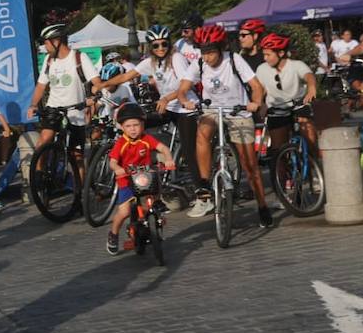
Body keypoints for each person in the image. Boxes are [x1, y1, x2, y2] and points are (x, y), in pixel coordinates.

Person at [187, 25, 271, 226]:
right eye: (203, 52)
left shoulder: (234, 59)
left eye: (211, 52)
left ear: (220, 48)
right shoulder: (199, 63)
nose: (207, 57)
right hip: (213, 110)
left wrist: (256, 103)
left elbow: (256, 87)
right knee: (202, 132)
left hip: (238, 110)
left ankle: (262, 206)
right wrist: (184, 99)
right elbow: (183, 87)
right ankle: (205, 184)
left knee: (249, 165)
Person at [111, 25, 198, 178]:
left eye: (164, 44)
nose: (160, 48)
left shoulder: (176, 58)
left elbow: (186, 85)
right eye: (156, 45)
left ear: (169, 44)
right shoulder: (150, 62)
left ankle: (201, 192)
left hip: (185, 108)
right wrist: (100, 85)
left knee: (189, 151)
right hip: (168, 107)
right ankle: (147, 159)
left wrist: (166, 98)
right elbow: (126, 76)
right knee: (138, 123)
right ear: (151, 47)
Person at [104, 102, 177, 255]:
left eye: (136, 125)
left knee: (155, 198)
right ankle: (114, 234)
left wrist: (169, 159)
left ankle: (157, 215)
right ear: (122, 127)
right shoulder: (121, 143)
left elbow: (163, 148)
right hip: (127, 181)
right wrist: (118, 169)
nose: (132, 129)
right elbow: (112, 161)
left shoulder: (146, 139)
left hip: (146, 177)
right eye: (128, 126)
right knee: (124, 212)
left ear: (143, 124)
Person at [26, 24, 98, 163]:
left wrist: (94, 97)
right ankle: (39, 180)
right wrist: (33, 105)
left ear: (56, 41)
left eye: (46, 43)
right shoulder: (49, 60)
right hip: (54, 107)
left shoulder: (79, 57)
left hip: (76, 110)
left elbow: (96, 81)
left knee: (76, 157)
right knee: (42, 144)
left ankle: (80, 185)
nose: (44, 47)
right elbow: (41, 86)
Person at [255, 33, 318, 162]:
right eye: (264, 54)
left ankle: (314, 166)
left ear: (281, 53)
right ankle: (282, 179)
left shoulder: (296, 65)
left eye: (268, 55)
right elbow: (260, 90)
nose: (265, 58)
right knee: (278, 151)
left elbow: (308, 76)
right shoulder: (261, 69)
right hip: (277, 109)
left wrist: (311, 88)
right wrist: (261, 103)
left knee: (309, 134)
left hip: (298, 105)